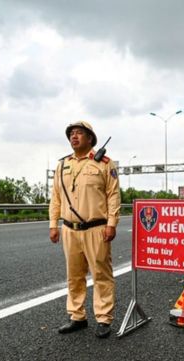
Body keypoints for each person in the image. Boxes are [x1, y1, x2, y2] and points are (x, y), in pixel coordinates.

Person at [49, 121, 121, 339]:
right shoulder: (62, 165)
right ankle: (77, 316)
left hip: (96, 228)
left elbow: (113, 195)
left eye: (79, 133)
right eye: (71, 133)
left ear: (90, 138)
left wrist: (112, 223)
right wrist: (53, 224)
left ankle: (103, 318)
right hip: (70, 229)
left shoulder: (105, 164)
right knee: (74, 276)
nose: (74, 136)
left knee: (101, 274)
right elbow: (56, 197)